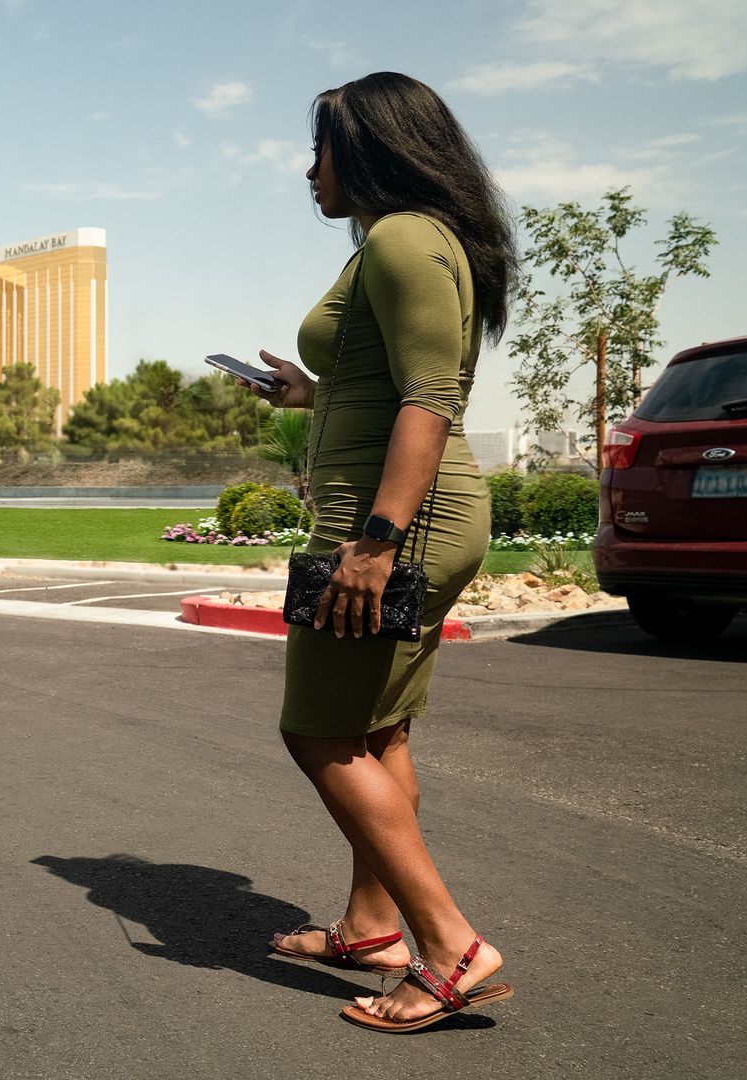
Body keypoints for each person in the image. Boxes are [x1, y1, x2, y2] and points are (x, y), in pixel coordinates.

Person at [243, 72, 518, 1033]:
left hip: (397, 526)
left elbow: (430, 400)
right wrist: (309, 396)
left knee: (317, 731)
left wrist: (374, 543)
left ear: (368, 153)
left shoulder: (403, 237)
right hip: (404, 519)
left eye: (320, 148)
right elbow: (389, 379)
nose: (308, 168)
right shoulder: (408, 244)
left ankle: (449, 946)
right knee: (379, 729)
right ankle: (371, 927)